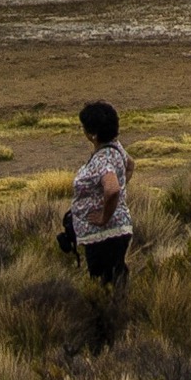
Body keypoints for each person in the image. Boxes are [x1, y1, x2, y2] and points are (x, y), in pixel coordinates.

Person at [66, 100, 132, 285]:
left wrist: (104, 216)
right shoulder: (116, 148)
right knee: (116, 277)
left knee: (103, 282)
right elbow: (130, 165)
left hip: (104, 234)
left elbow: (112, 189)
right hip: (119, 228)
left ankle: (110, 312)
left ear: (93, 134)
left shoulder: (102, 161)